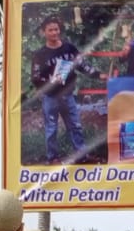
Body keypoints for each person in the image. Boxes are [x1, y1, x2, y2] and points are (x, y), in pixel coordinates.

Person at [28, 16, 99, 163]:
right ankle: (53, 157)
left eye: (56, 29)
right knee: (51, 129)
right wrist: (50, 82)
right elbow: (35, 78)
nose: (54, 32)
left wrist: (98, 74)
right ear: (43, 32)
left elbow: (82, 65)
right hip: (50, 97)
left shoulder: (69, 48)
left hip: (68, 95)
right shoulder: (40, 55)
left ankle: (81, 155)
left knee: (75, 126)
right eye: (50, 30)